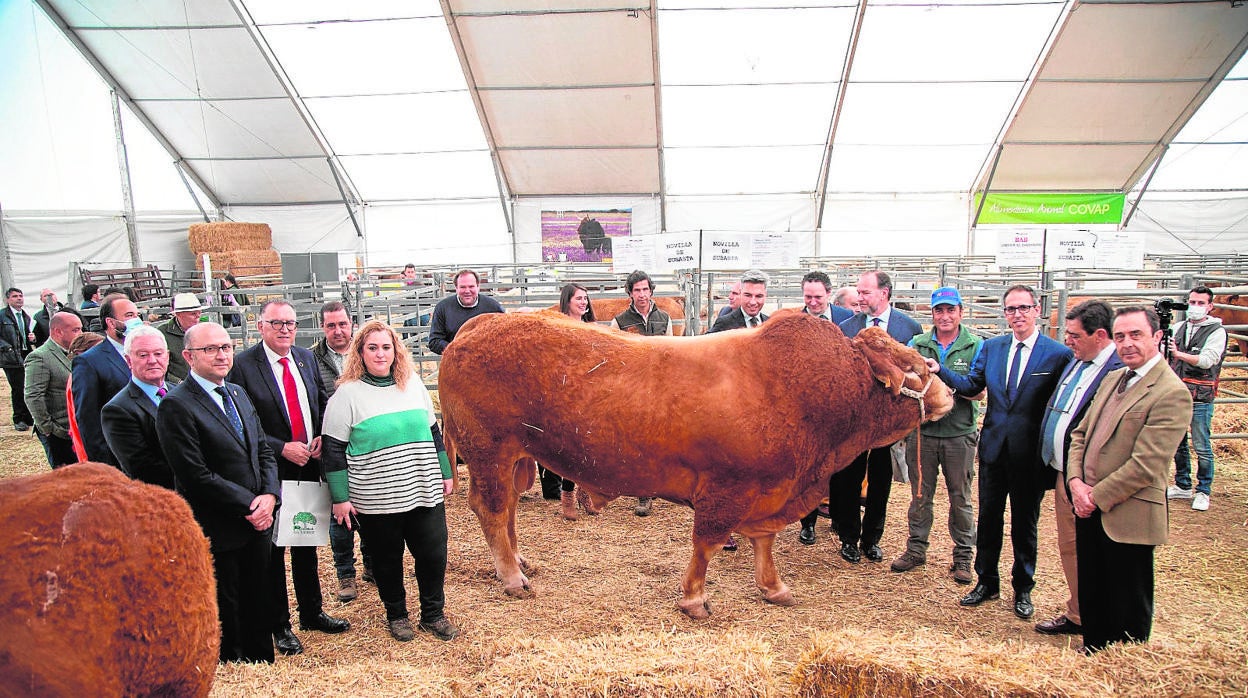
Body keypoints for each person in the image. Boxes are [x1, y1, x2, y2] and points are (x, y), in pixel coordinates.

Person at [929, 284, 1071, 620]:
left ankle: (1023, 587)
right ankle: (986, 581)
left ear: (1036, 310)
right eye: (1011, 309)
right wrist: (941, 371)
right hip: (993, 450)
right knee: (989, 519)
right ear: (1004, 314)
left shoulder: (1056, 354)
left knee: (1025, 523)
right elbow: (972, 386)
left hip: (1029, 455)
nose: (1018, 315)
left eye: (1023, 308)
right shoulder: (992, 347)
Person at [321, 320, 459, 643]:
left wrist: (446, 472)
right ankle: (397, 615)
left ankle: (433, 614)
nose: (380, 354)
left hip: (422, 488)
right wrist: (340, 497)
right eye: (373, 348)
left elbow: (433, 432)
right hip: (377, 497)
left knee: (433, 554)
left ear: (396, 351)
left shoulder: (412, 384)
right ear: (360, 352)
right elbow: (332, 448)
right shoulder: (347, 394)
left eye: (386, 347)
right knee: (386, 560)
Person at [1067, 306, 1192, 653]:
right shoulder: (1112, 379)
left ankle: (1126, 666)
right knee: (1094, 587)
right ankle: (1093, 651)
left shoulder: (1171, 392)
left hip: (1127, 514)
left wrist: (1095, 495)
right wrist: (1076, 482)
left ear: (1156, 337)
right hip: (1088, 505)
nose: (1127, 344)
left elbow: (1147, 464)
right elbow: (1080, 434)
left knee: (1128, 595)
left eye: (1135, 335)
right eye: (1120, 336)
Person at [228, 300, 349, 656]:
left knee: (305, 540)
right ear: (260, 325)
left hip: (309, 466)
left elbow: (321, 402)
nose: (285, 329)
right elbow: (241, 422)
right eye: (277, 323)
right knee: (274, 552)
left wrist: (322, 435)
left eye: (291, 323)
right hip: (272, 470)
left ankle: (311, 612)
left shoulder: (305, 358)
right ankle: (279, 624)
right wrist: (281, 447)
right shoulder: (244, 365)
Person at [157, 322, 280, 664]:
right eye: (210, 349)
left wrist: (270, 496)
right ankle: (232, 662)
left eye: (226, 347)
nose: (221, 355)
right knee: (227, 598)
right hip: (220, 523)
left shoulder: (238, 393)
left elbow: (263, 450)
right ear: (188, 356)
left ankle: (261, 660)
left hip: (259, 520)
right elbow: (194, 474)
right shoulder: (177, 405)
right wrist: (250, 504)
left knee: (259, 594)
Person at [1033, 299, 1123, 636]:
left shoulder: (1116, 370)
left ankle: (1100, 620)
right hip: (1066, 472)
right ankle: (1079, 612)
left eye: (1074, 335)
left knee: (1097, 550)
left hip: (1094, 478)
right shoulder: (1079, 361)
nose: (1066, 340)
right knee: (1070, 545)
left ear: (1099, 335)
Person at [828, 271, 923, 564]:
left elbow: (915, 372)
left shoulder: (909, 328)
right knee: (848, 477)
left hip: (889, 420)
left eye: (866, 292)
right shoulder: (847, 326)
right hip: (856, 418)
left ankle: (872, 538)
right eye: (859, 292)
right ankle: (848, 537)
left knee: (882, 479)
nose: (860, 297)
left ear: (884, 293)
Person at [889, 287, 980, 584]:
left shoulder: (975, 345)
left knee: (960, 497)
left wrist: (944, 385)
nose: (944, 316)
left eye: (950, 310)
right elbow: (902, 380)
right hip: (923, 432)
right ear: (932, 314)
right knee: (919, 495)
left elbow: (979, 390)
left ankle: (963, 557)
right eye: (939, 310)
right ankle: (916, 550)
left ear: (960, 312)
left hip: (959, 433)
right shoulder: (918, 343)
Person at [312, 300, 373, 602]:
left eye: (342, 324)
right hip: (333, 444)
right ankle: (345, 575)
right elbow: (312, 402)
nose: (338, 331)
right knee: (340, 510)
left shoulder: (367, 353)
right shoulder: (311, 359)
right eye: (331, 326)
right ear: (323, 328)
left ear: (352, 323)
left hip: (366, 443)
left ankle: (373, 565)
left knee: (372, 506)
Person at [611, 270, 673, 516]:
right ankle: (643, 493)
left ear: (651, 290)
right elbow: (616, 357)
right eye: (637, 290)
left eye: (645, 289)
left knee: (661, 438)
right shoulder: (620, 321)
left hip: (659, 387)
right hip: (633, 388)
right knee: (638, 440)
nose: (642, 294)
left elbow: (670, 353)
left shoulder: (664, 318)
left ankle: (663, 484)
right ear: (630, 293)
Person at [1166, 285, 1228, 512]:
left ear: (1210, 307)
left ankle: (1203, 490)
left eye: (1201, 303)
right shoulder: (1179, 327)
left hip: (1200, 394)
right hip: (1176, 392)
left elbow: (1207, 360)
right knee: (1177, 441)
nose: (1195, 307)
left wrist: (1179, 354)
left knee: (1201, 443)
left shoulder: (1217, 331)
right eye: (1192, 302)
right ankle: (1182, 484)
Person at [542, 283, 597, 520]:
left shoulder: (592, 327)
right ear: (567, 301)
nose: (583, 302)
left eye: (585, 298)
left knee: (590, 444)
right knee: (571, 447)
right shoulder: (557, 327)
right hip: (566, 393)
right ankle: (567, 496)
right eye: (579, 298)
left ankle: (585, 492)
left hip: (590, 392)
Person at [101, 325, 177, 489]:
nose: (152, 360)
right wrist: (196, 477)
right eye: (143, 355)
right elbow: (142, 468)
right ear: (128, 360)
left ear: (168, 357)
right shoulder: (118, 410)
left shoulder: (179, 393)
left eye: (158, 354)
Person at [71, 294, 141, 465]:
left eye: (137, 315)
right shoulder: (89, 362)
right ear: (110, 322)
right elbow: (88, 418)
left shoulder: (147, 354)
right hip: (117, 456)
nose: (136, 320)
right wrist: (103, 464)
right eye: (129, 316)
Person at [23, 311, 83, 466]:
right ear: (58, 331)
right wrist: (48, 428)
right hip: (59, 432)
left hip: (74, 429)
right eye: (75, 330)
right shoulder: (40, 357)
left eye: (81, 329)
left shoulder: (74, 353)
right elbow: (33, 395)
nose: (80, 334)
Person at [428, 269, 504, 354]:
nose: (467, 291)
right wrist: (455, 349)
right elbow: (434, 341)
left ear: (478, 286)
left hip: (486, 360)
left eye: (471, 286)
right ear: (456, 288)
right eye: (463, 287)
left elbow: (504, 336)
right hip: (454, 359)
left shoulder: (493, 307)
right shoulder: (443, 308)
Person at [0, 287, 37, 431]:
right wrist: (6, 347)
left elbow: (26, 335)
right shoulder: (3, 316)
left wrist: (32, 339)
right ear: (8, 299)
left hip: (24, 353)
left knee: (26, 386)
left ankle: (27, 416)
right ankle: (19, 418)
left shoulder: (25, 316)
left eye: (21, 295)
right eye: (15, 296)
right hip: (9, 357)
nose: (19, 298)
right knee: (17, 387)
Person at [65, 331, 105, 462]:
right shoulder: (81, 378)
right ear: (80, 353)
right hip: (91, 451)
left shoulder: (88, 375)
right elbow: (85, 417)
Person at [157, 293, 203, 382]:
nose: (198, 316)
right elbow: (160, 365)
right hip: (176, 386)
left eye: (199, 313)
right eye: (193, 313)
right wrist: (178, 382)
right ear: (179, 314)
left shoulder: (204, 331)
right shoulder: (162, 333)